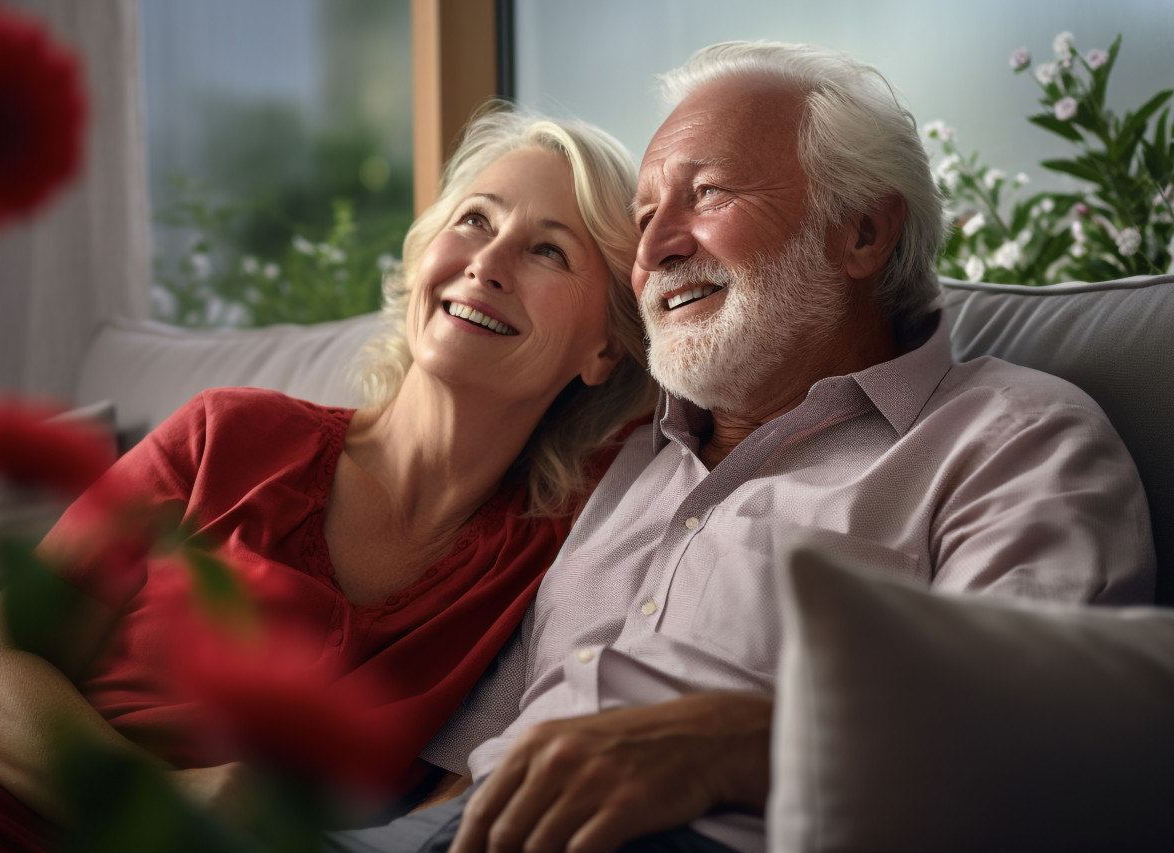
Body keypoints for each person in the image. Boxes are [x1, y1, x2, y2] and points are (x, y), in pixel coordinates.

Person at [325, 40, 1157, 853]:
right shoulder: (620, 464)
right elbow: (468, 772)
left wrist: (735, 744)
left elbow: (1043, 739)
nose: (655, 249)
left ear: (863, 231)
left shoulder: (1011, 435)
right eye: (644, 218)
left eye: (708, 194)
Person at [0, 105, 658, 853]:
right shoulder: (228, 434)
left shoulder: (566, 544)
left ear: (604, 350)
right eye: (475, 220)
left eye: (548, 251)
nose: (487, 263)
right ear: (424, 255)